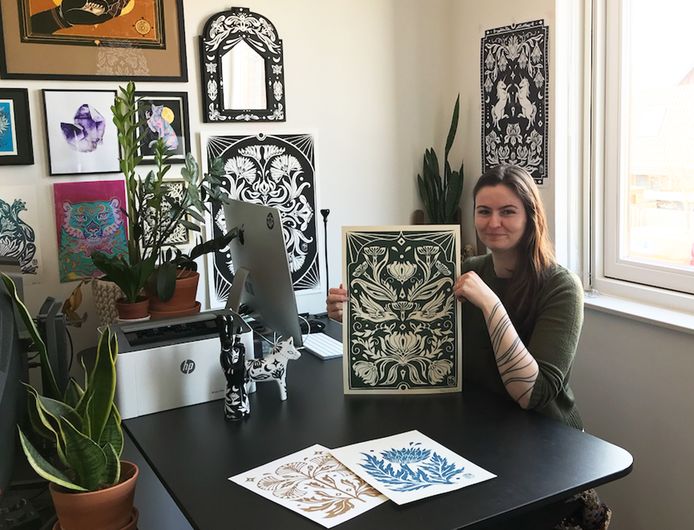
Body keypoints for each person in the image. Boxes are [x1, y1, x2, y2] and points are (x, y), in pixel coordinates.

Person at [327, 164, 610, 529]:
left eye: (508, 211)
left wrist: (491, 305)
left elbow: (530, 394)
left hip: (547, 447)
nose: (494, 222)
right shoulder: (465, 270)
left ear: (531, 217)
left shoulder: (561, 286)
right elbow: (417, 335)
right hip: (483, 435)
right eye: (484, 211)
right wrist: (354, 316)